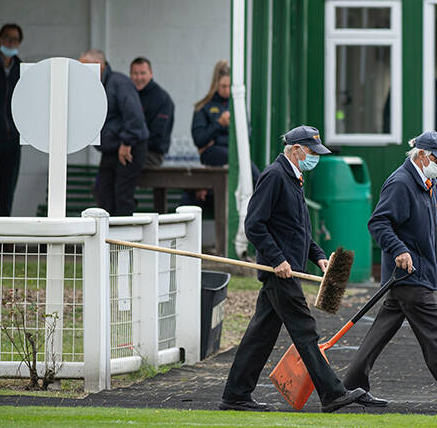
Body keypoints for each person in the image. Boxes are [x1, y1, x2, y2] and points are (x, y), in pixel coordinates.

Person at [342, 131, 437, 411]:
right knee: (433, 331)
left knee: (380, 332)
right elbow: (378, 223)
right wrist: (399, 250)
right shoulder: (401, 183)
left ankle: (350, 387)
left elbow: (433, 230)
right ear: (421, 155)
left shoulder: (428, 182)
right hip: (410, 276)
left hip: (412, 275)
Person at [220, 125, 365, 413]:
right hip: (280, 272)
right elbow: (254, 225)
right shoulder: (274, 176)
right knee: (305, 331)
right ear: (296, 150)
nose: (316, 158)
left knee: (260, 337)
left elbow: (298, 229)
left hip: (287, 269)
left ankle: (235, 394)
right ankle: (333, 394)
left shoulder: (293, 177)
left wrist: (319, 256)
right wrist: (277, 260)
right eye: (312, 152)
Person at [79, 49, 148, 216]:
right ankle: (107, 240)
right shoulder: (94, 85)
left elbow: (134, 116)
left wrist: (126, 143)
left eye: (83, 67)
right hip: (110, 149)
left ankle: (123, 241)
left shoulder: (119, 83)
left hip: (128, 147)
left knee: (122, 196)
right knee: (104, 196)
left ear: (99, 66)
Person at [188, 60, 259, 206]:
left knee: (244, 163)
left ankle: (261, 195)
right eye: (223, 86)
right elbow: (200, 140)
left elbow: (247, 137)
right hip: (213, 157)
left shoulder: (238, 106)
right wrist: (219, 124)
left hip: (231, 154)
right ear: (216, 85)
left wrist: (217, 139)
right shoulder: (204, 107)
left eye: (229, 86)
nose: (227, 90)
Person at [0, 24, 23, 216]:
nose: (11, 42)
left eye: (16, 39)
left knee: (7, 193)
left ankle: (2, 242)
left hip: (12, 139)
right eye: (8, 38)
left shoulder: (21, 68)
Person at [129, 57, 174, 167]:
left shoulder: (162, 99)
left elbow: (158, 135)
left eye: (143, 73)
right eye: (135, 73)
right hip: (127, 150)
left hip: (151, 153)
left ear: (151, 74)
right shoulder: (127, 94)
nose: (139, 78)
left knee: (124, 171)